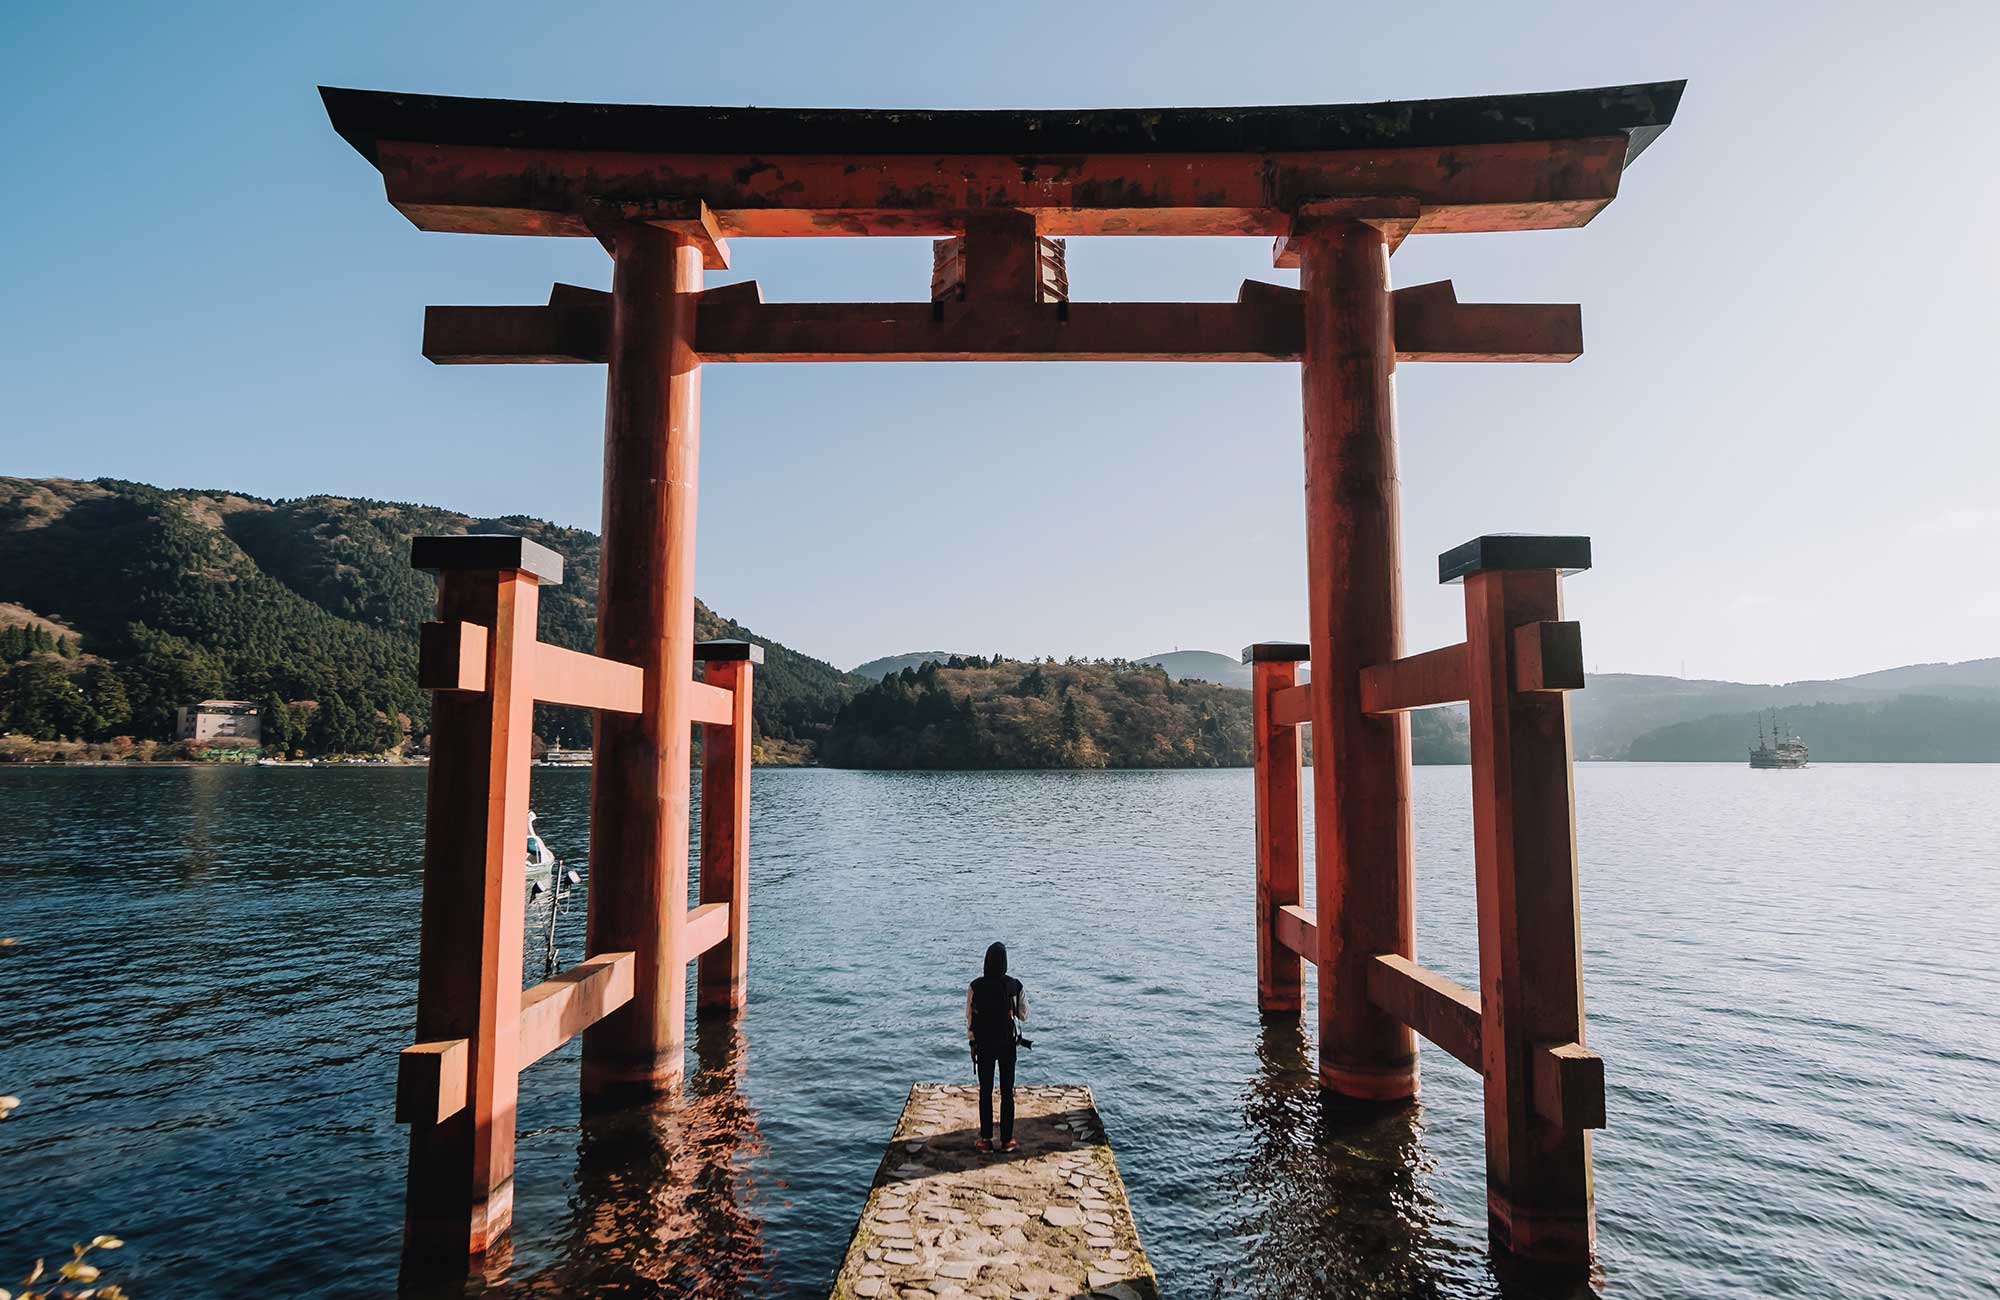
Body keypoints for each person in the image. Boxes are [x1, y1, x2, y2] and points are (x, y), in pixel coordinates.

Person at [965, 941, 1028, 1153]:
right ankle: (1008, 1139)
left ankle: (985, 1140)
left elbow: (970, 1018)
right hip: (1007, 1044)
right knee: (1007, 1091)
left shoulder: (975, 986)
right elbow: (1024, 1015)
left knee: (985, 1091)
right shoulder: (1015, 985)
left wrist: (972, 1043)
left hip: (983, 1044)